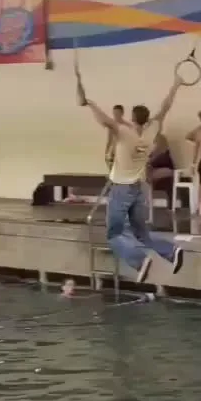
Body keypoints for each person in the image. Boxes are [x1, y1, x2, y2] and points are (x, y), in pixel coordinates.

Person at [81, 75, 185, 283]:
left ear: (132, 118)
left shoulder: (125, 133)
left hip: (122, 188)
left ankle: (140, 261)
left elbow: (105, 121)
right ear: (146, 119)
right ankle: (171, 251)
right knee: (140, 233)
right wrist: (176, 85)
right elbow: (165, 107)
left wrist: (90, 103)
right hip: (138, 188)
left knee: (114, 234)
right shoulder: (151, 131)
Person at [147, 132, 176, 208]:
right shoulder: (157, 151)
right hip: (161, 171)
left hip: (166, 171)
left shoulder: (162, 154)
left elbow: (152, 160)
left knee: (146, 176)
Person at [105, 104, 125, 171]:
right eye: (114, 113)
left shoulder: (127, 126)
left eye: (117, 113)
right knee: (112, 171)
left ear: (122, 113)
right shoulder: (112, 125)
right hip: (114, 152)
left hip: (123, 153)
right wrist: (106, 152)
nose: (116, 115)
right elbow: (109, 140)